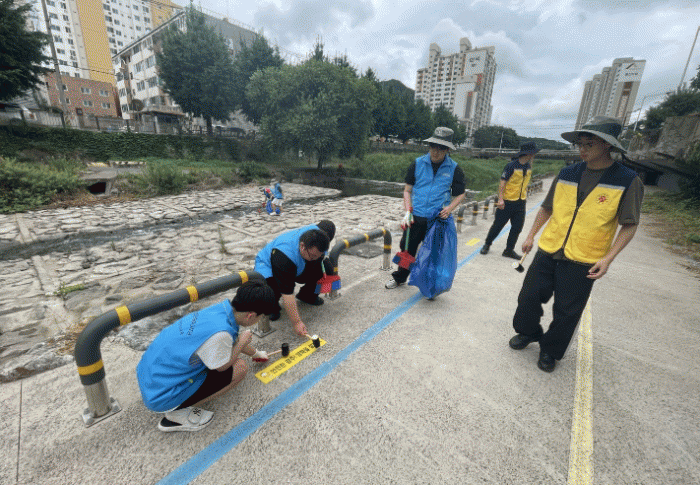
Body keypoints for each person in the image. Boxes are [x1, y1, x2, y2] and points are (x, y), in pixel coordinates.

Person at [508, 116, 644, 372]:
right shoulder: (567, 173)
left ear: (606, 144)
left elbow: (629, 225)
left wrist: (608, 258)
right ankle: (528, 332)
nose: (582, 149)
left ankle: (550, 350)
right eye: (579, 144)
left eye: (588, 144)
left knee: (567, 311)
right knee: (528, 296)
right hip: (550, 248)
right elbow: (547, 207)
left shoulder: (627, 180)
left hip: (584, 257)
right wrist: (531, 235)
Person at [136, 280, 278, 432]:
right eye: (260, 317)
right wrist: (243, 342)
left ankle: (179, 400)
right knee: (240, 368)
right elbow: (221, 367)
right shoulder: (221, 333)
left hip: (149, 377)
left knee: (229, 355)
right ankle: (177, 413)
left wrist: (256, 354)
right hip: (162, 395)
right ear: (251, 316)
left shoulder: (221, 310)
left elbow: (232, 340)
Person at [385, 126, 466, 289]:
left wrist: (449, 208)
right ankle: (399, 278)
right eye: (433, 146)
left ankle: (429, 284)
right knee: (406, 248)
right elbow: (407, 190)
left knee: (434, 253)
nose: (436, 151)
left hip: (437, 219)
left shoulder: (454, 168)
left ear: (447, 150)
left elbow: (461, 194)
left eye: (441, 148)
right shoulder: (417, 163)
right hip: (416, 216)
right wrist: (408, 211)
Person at [254, 220, 336, 336]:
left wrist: (331, 283)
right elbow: (287, 292)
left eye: (319, 255)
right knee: (273, 293)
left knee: (325, 268)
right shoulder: (284, 255)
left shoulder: (320, 238)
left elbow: (321, 260)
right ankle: (272, 306)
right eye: (313, 256)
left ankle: (307, 295)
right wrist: (297, 322)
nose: (316, 258)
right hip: (270, 266)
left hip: (300, 262)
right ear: (302, 246)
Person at [480, 141, 541, 259]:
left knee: (517, 228)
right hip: (507, 201)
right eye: (533, 153)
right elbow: (502, 183)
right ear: (528, 154)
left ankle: (508, 250)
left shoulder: (528, 166)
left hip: (521, 202)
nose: (534, 155)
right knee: (498, 225)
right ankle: (487, 244)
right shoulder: (511, 166)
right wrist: (500, 199)